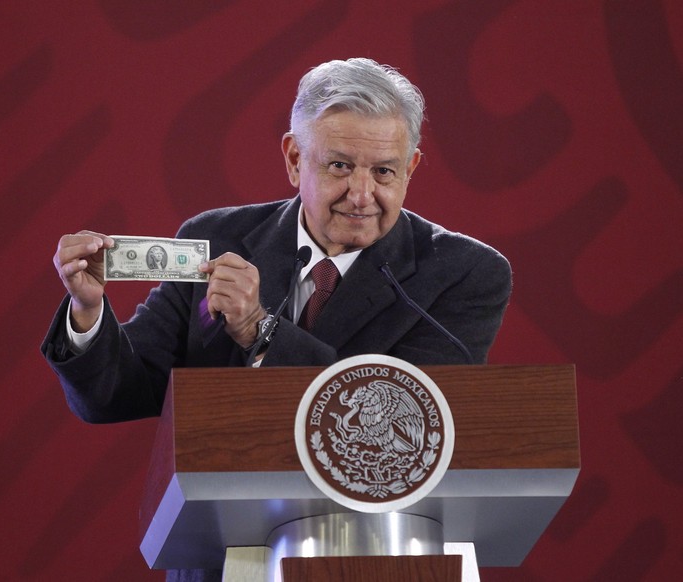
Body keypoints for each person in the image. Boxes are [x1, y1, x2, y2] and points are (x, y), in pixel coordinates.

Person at [41, 58, 512, 580]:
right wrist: (87, 310)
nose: (361, 194)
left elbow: (403, 428)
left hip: (389, 554)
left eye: (383, 171)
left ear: (412, 167)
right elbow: (116, 394)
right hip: (223, 560)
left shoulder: (465, 273)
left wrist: (260, 331)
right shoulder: (217, 239)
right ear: (293, 158)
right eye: (338, 166)